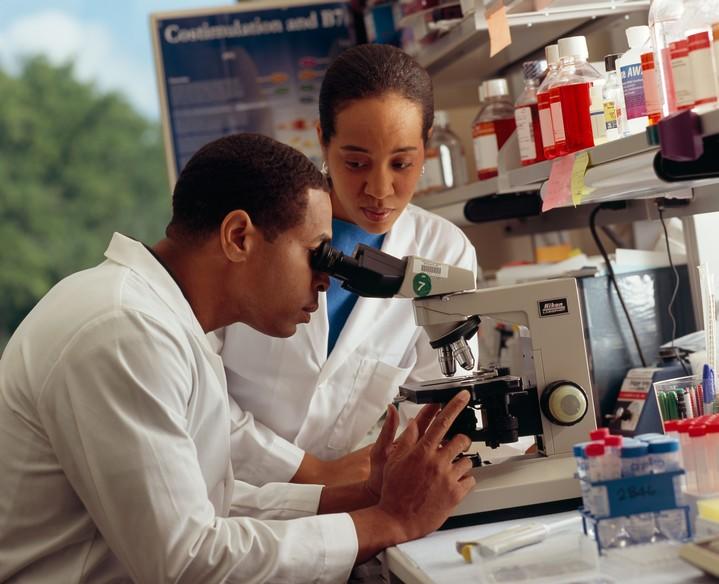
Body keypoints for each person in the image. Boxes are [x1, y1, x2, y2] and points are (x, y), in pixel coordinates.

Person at [0, 134, 475, 582]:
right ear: (238, 236)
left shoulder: (164, 322)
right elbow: (186, 562)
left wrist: (361, 496)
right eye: (317, 254)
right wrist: (389, 522)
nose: (326, 280)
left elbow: (212, 504)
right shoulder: (124, 330)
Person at [221, 44, 479, 487]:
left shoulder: (444, 252)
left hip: (355, 500)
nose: (379, 189)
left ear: (427, 146)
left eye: (402, 163)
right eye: (356, 163)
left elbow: (439, 403)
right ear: (323, 139)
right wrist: (312, 473)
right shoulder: (254, 235)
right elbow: (198, 389)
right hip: (232, 495)